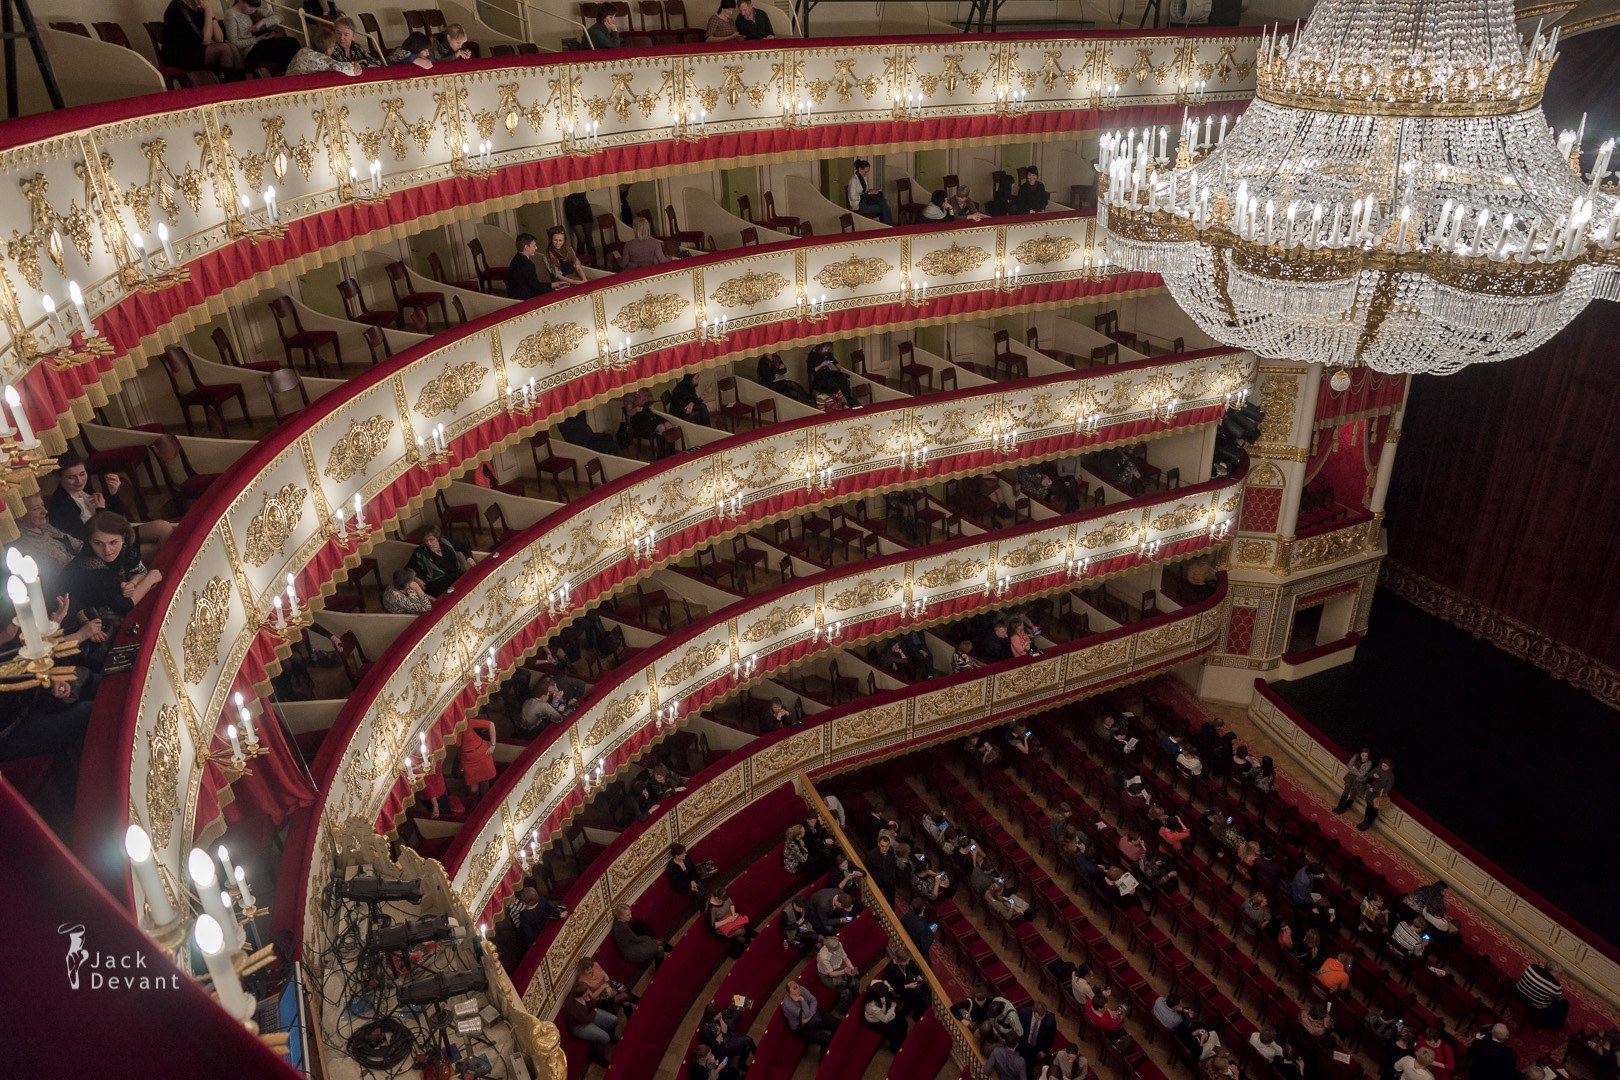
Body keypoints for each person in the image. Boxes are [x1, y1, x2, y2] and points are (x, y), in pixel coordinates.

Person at [50, 454, 173, 558]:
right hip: (102, 548)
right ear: (59, 477)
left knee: (163, 527)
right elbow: (86, 538)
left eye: (82, 474)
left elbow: (117, 517)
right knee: (157, 549)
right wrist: (100, 510)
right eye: (71, 477)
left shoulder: (84, 489)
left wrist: (113, 494)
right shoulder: (60, 504)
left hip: (116, 534)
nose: (79, 481)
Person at [60, 512, 162, 623]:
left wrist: (132, 583)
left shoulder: (125, 547)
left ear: (123, 538)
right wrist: (151, 578)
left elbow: (139, 571)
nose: (107, 550)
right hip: (79, 617)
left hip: (110, 605)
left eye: (113, 542)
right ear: (89, 540)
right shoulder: (91, 565)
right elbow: (124, 606)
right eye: (98, 543)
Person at [162, 0, 242, 77]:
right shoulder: (178, 6)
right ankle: (228, 88)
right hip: (178, 54)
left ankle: (241, 86)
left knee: (233, 47)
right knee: (224, 49)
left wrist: (211, 14)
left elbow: (220, 39)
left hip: (195, 49)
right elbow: (205, 40)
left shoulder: (200, 7)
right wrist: (208, 10)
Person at [14, 494, 81, 585]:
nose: (45, 511)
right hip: (66, 586)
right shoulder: (24, 542)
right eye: (36, 508)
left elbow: (78, 545)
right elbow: (67, 566)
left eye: (43, 505)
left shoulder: (44, 526)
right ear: (19, 515)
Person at [224, 0, 300, 72]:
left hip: (256, 42)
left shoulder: (251, 10)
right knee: (291, 43)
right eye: (250, 6)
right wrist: (258, 39)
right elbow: (233, 44)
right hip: (247, 51)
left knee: (290, 45)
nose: (253, 10)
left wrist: (262, 21)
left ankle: (297, 72)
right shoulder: (230, 15)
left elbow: (280, 17)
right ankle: (298, 71)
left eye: (255, 7)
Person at [562, 981, 618, 1064]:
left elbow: (593, 1004)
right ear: (580, 994)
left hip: (589, 1014)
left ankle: (612, 1037)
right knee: (605, 1038)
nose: (588, 992)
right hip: (579, 1026)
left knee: (614, 1019)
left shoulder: (585, 994)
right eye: (586, 992)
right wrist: (594, 1011)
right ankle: (600, 1058)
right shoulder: (573, 1007)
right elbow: (585, 1020)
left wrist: (588, 1000)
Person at [409, 526, 470, 596]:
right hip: (438, 583)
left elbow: (464, 546)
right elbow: (408, 569)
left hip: (457, 575)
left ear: (437, 538)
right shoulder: (419, 552)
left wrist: (469, 557)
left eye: (431, 539)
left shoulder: (445, 542)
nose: (429, 543)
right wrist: (415, 578)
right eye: (426, 540)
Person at [781, 980, 839, 1050]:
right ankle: (826, 1056)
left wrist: (810, 1015)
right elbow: (805, 1014)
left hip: (812, 1015)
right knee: (826, 1041)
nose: (798, 994)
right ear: (788, 994)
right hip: (803, 1028)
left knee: (836, 1023)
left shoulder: (801, 988)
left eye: (798, 992)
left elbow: (813, 1000)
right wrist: (801, 999)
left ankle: (835, 1041)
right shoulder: (787, 1005)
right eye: (794, 994)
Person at [507, 232, 566, 300]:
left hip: (517, 297)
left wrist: (555, 284)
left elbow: (534, 284)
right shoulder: (527, 264)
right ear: (526, 247)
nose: (536, 248)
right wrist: (556, 290)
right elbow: (537, 289)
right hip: (526, 300)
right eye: (534, 246)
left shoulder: (516, 259)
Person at [611, 901, 668, 967]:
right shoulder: (623, 928)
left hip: (633, 945)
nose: (631, 916)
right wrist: (647, 937)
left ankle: (671, 955)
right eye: (628, 915)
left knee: (660, 942)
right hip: (632, 952)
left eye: (630, 913)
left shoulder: (619, 921)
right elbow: (636, 939)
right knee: (660, 949)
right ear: (621, 916)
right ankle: (659, 969)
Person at [286, 25, 360, 75]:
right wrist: (355, 66)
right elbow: (342, 68)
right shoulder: (319, 59)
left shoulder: (304, 50)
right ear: (329, 50)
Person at [1515, 960, 1566, 1028]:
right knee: (1564, 1004)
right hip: (1533, 1006)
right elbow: (1559, 999)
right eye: (1560, 973)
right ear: (1555, 972)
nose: (1560, 976)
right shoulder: (1556, 986)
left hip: (1517, 993)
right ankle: (1553, 1024)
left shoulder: (1532, 967)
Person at [861, 978, 907, 1051]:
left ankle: (904, 1040)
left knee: (903, 1022)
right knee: (894, 1032)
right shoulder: (872, 1007)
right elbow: (885, 1019)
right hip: (876, 1022)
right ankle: (895, 1048)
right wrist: (892, 1007)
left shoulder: (877, 986)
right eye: (883, 995)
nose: (884, 996)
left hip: (884, 1013)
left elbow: (880, 982)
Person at [456, 716, 497, 795]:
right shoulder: (449, 732)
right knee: (473, 789)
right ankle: (477, 802)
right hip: (467, 760)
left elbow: (490, 724)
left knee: (485, 780)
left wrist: (493, 745)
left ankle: (486, 801)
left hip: (482, 754)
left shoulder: (466, 722)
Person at [708, 885, 753, 955]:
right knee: (740, 930)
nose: (724, 902)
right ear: (717, 898)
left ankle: (748, 944)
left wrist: (733, 914)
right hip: (721, 926)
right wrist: (728, 921)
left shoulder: (724, 897)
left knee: (740, 930)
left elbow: (731, 904)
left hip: (730, 919)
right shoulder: (710, 909)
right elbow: (713, 926)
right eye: (722, 901)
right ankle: (750, 943)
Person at [847, 159, 894, 225]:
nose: (867, 174)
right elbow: (852, 198)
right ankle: (887, 227)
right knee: (882, 207)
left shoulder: (863, 177)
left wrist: (872, 191)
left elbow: (864, 191)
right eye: (865, 172)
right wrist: (867, 193)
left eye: (868, 172)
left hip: (866, 201)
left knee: (885, 202)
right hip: (859, 205)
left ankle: (886, 227)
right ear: (860, 169)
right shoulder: (853, 180)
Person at [1017, 1001, 1058, 1073]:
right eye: (1038, 1016)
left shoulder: (1051, 1019)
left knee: (1029, 1068)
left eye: (1042, 1016)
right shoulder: (1023, 1013)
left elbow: (1051, 1036)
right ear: (1033, 1011)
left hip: (1037, 1048)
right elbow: (1018, 1028)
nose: (1040, 1019)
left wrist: (1045, 1051)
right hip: (1024, 1044)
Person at [1333, 748, 1375, 814]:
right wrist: (1357, 772)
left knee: (1352, 795)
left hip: (1359, 781)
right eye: (1363, 755)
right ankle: (1339, 807)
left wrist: (1354, 769)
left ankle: (1343, 809)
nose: (1364, 757)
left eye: (1366, 756)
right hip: (1351, 777)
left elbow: (1362, 775)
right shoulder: (1356, 756)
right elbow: (1349, 765)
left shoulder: (1369, 763)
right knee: (1345, 792)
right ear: (1360, 754)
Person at [1360, 757, 1395, 831]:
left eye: (1386, 766)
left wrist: (1375, 790)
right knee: (1368, 807)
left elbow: (1387, 790)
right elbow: (1368, 775)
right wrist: (1373, 775)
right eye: (1383, 765)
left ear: (1390, 767)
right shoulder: (1378, 768)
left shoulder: (1391, 776)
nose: (1383, 767)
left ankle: (1367, 824)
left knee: (1374, 811)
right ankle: (1364, 822)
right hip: (1371, 791)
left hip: (1378, 796)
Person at [865, 833, 899, 902]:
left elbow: (893, 865)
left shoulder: (891, 850)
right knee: (873, 898)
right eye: (882, 846)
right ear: (878, 844)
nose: (885, 848)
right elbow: (866, 869)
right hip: (876, 880)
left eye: (887, 846)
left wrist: (892, 877)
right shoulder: (871, 855)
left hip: (889, 879)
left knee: (891, 900)